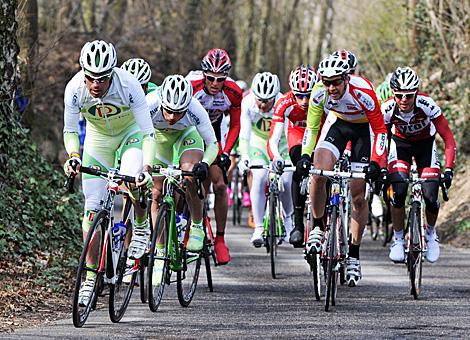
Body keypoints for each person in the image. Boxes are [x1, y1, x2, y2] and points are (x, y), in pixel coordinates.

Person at [63, 40, 156, 305]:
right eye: (90, 77)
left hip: (131, 136)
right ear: (83, 72)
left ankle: (140, 227)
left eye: (102, 79)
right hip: (98, 141)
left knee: (132, 178)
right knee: (91, 211)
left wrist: (147, 169)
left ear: (112, 74)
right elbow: (70, 130)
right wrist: (73, 156)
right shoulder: (74, 89)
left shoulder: (129, 85)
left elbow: (148, 133)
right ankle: (91, 279)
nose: (95, 84)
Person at [301, 54, 388, 287]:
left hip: (364, 132)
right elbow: (312, 126)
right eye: (326, 81)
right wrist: (305, 156)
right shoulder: (318, 92)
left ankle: (354, 256)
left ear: (346, 79)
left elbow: (380, 130)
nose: (331, 87)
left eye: (336, 82)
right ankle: (318, 228)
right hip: (338, 126)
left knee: (358, 195)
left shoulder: (364, 92)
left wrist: (377, 163)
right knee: (318, 172)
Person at [146, 75, 219, 279]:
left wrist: (204, 164)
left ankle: (196, 225)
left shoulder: (196, 109)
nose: (171, 117)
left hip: (187, 137)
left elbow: (213, 143)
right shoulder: (150, 104)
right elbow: (134, 134)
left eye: (178, 112)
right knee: (155, 192)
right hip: (159, 141)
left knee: (189, 175)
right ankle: (159, 250)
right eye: (167, 110)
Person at [382, 67, 455, 263]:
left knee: (430, 196)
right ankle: (397, 239)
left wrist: (448, 169)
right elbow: (381, 139)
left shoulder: (427, 104)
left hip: (425, 146)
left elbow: (448, 138)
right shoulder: (388, 108)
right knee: (398, 192)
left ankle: (431, 235)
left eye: (409, 95)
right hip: (400, 146)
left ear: (416, 93)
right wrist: (380, 166)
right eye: (399, 95)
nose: (404, 100)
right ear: (393, 94)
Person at [188, 48, 243, 265]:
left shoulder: (233, 92)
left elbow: (236, 124)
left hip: (214, 136)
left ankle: (220, 239)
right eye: (210, 78)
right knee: (188, 180)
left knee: (220, 185)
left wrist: (227, 151)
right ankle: (187, 224)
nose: (214, 83)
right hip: (190, 134)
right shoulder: (191, 87)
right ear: (204, 75)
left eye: (220, 79)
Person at [237, 72, 293, 246]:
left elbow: (288, 133)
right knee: (259, 177)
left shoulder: (282, 103)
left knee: (286, 179)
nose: (262, 104)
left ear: (275, 96)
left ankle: (289, 222)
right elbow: (244, 135)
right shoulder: (247, 103)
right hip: (258, 144)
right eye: (259, 99)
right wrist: (244, 156)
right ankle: (259, 228)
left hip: (281, 144)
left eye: (267, 100)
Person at [267, 64, 318, 247]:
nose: (304, 101)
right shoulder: (284, 103)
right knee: (299, 169)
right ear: (292, 92)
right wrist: (276, 158)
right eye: (299, 96)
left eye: (308, 95)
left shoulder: (323, 99)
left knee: (324, 173)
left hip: (319, 136)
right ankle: (298, 225)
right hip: (297, 136)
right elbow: (273, 138)